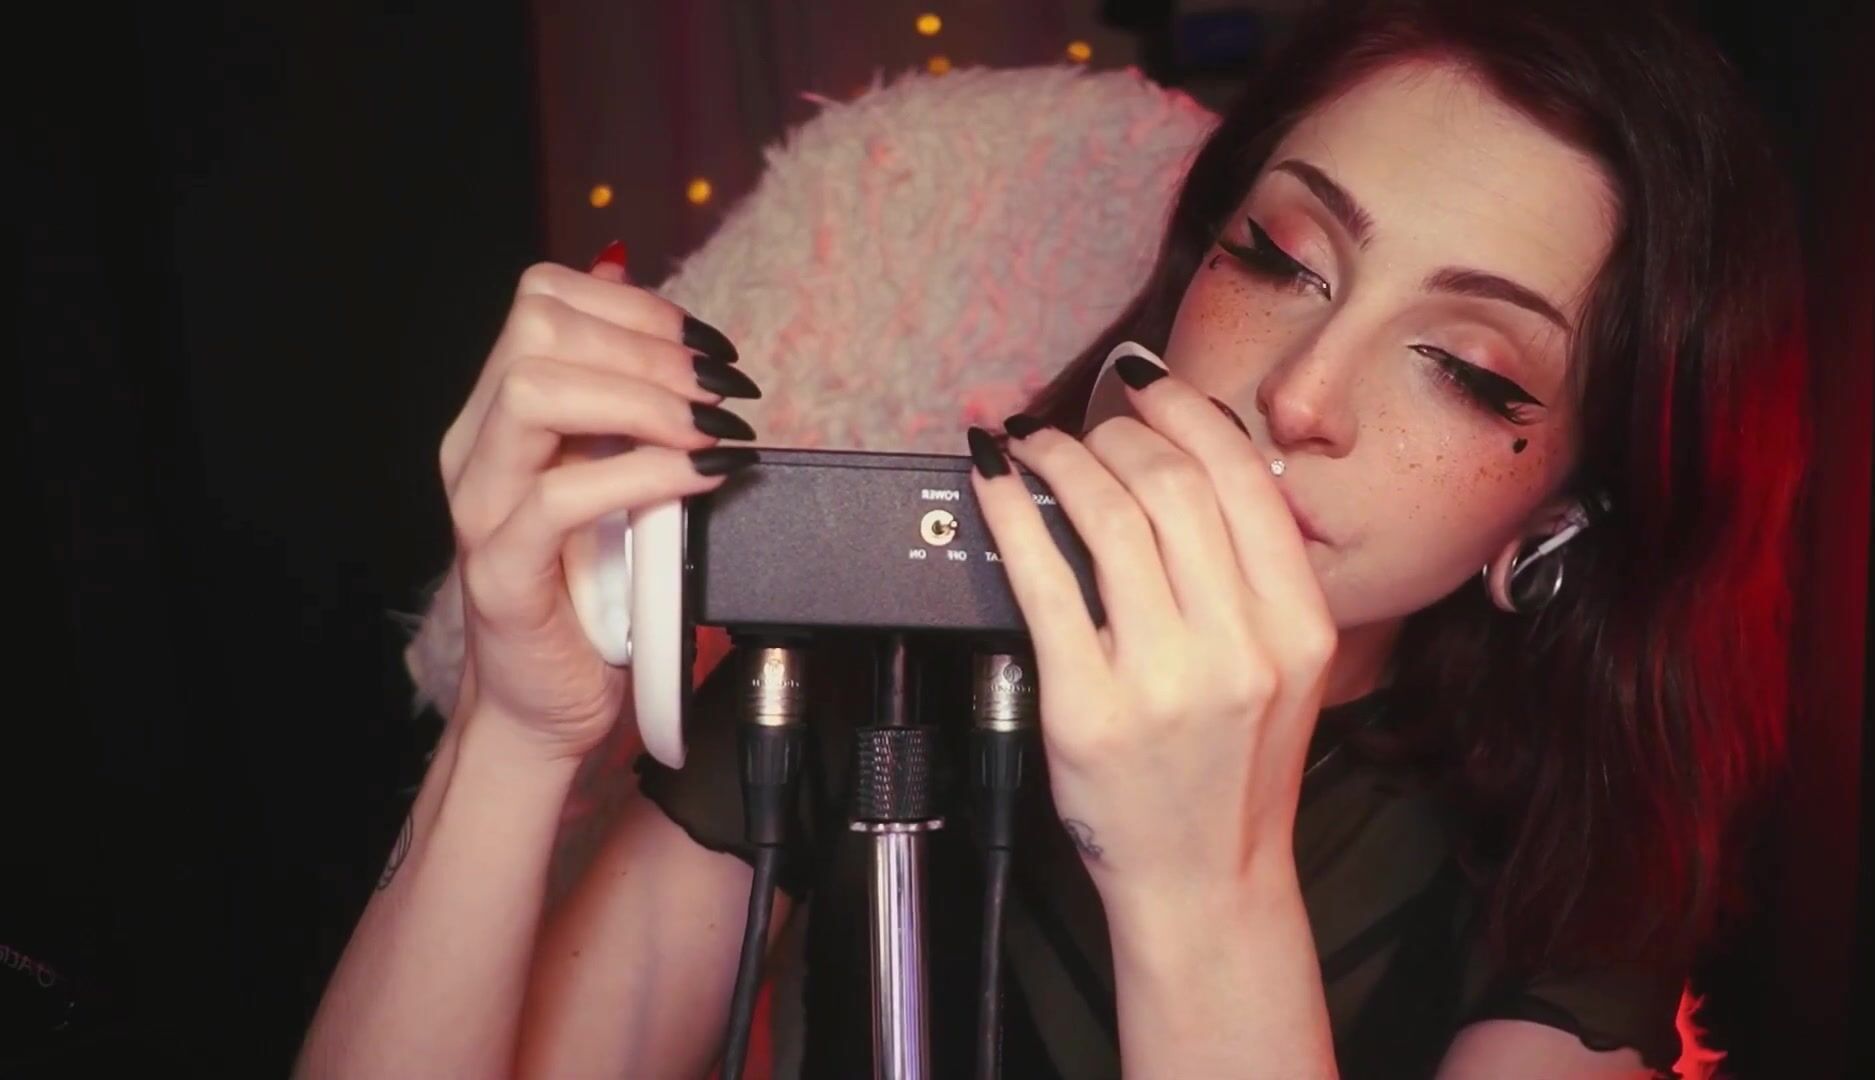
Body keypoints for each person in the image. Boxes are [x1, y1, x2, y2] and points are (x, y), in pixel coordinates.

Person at [292, 0, 1807, 1076]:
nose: (1301, 392)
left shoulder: (1577, 854)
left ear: (1562, 509)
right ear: (1190, 269)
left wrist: (1202, 891)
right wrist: (514, 730)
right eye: (1280, 257)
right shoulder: (867, 657)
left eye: (1471, 369)